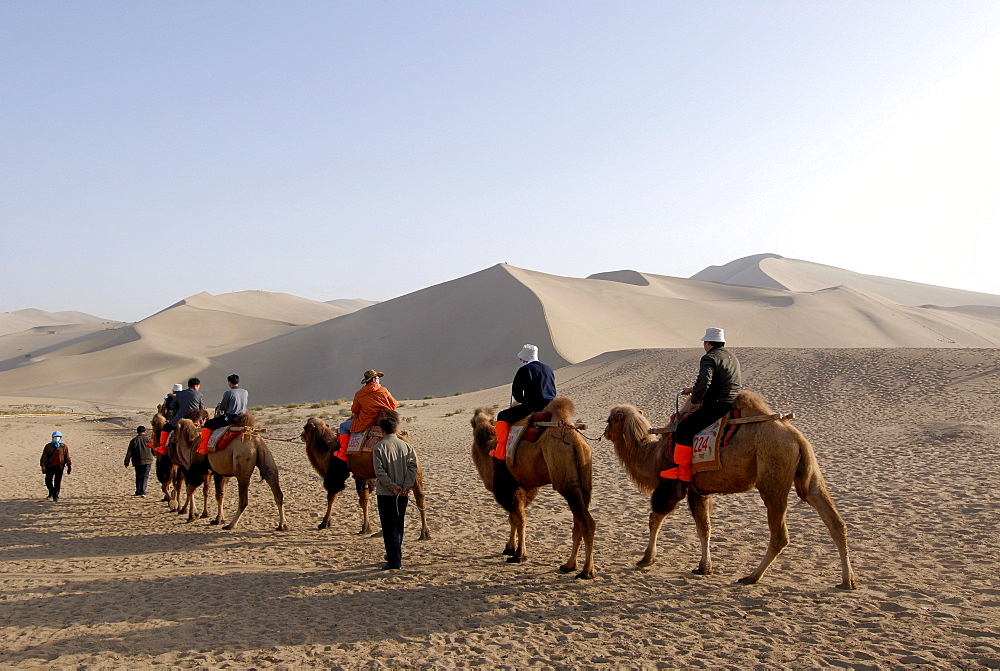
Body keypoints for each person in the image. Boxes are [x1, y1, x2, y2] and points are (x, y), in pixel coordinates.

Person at [661, 327, 742, 482]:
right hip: (733, 402)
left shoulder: (709, 357)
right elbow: (723, 380)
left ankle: (683, 470)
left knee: (684, 428)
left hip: (717, 404)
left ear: (708, 342)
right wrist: (692, 389)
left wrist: (696, 399)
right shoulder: (731, 357)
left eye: (704, 343)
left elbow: (704, 382)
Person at [491, 344, 557, 460]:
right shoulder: (549, 368)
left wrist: (524, 401)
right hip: (551, 406)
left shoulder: (524, 369)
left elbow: (517, 394)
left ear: (524, 359)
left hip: (531, 407)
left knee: (502, 415)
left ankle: (501, 452)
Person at [372, 414, 418, 570]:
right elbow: (413, 468)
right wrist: (405, 486)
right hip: (403, 493)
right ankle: (395, 556)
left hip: (386, 494)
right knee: (399, 524)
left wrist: (393, 487)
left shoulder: (378, 447)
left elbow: (379, 472)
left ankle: (394, 561)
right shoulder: (407, 446)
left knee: (389, 526)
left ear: (382, 430)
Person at [349, 369, 398, 434]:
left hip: (365, 423)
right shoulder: (384, 390)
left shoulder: (359, 394)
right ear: (374, 380)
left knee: (343, 427)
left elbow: (355, 410)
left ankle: (346, 444)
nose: (379, 380)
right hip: (384, 421)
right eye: (378, 378)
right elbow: (394, 404)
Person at [160, 377, 205, 448]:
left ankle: (162, 447)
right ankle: (204, 446)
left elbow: (172, 406)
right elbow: (201, 409)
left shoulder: (180, 394)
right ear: (195, 386)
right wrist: (201, 420)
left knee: (166, 427)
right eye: (199, 386)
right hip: (194, 420)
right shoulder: (199, 395)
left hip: (180, 419)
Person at [40, 431, 72, 502]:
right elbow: (44, 457)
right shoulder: (48, 446)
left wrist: (69, 466)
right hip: (50, 466)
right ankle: (51, 491)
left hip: (59, 467)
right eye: (55, 437)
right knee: (48, 480)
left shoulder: (63, 446)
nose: (56, 438)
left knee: (57, 481)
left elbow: (67, 457)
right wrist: (43, 465)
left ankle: (55, 495)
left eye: (58, 437)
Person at [124, 426, 156, 497]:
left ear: (137, 432)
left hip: (137, 461)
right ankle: (142, 491)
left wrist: (126, 462)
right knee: (145, 476)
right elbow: (153, 449)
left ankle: (138, 491)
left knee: (138, 476)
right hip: (148, 460)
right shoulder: (148, 439)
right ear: (145, 431)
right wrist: (155, 455)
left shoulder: (134, 440)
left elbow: (129, 452)